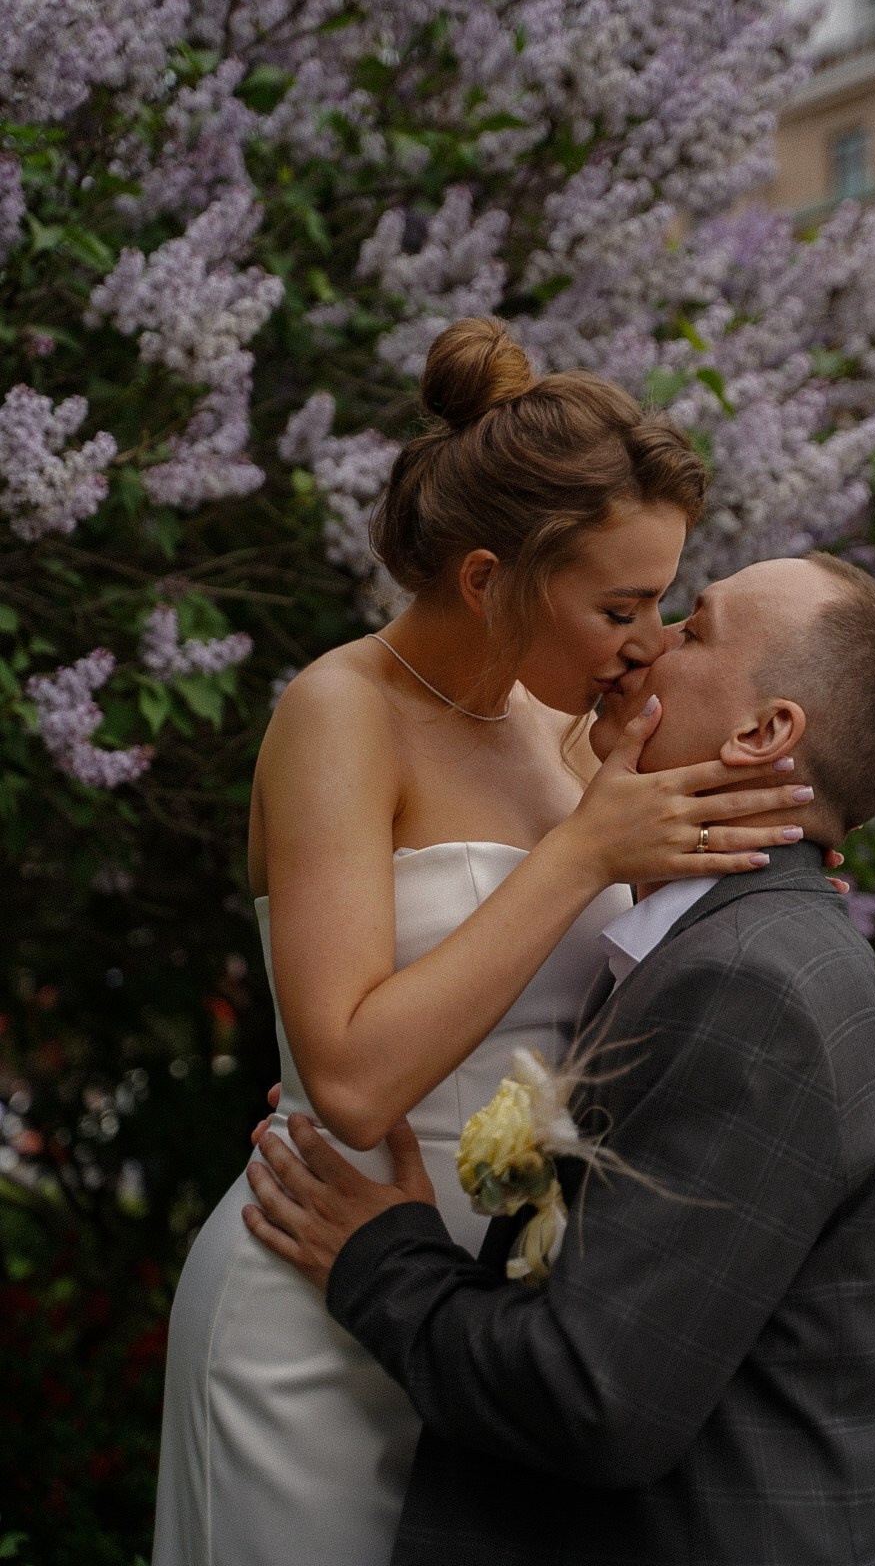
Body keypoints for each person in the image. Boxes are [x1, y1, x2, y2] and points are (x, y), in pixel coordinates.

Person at [150, 319, 823, 1566]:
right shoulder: (339, 714)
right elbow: (351, 1080)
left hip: (500, 1334)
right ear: (485, 578)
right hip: (311, 1312)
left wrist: (780, 862)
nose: (651, 638)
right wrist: (583, 854)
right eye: (619, 605)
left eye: (664, 601)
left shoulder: (577, 736)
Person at [242, 552, 875, 1566]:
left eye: (694, 628)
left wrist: (380, 1251)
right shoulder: (738, 944)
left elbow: (592, 1399)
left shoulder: (750, 984)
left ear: (763, 733)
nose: (650, 642)